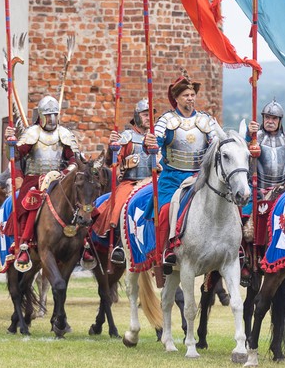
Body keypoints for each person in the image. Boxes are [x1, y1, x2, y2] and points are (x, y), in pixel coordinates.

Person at [145, 72, 224, 273]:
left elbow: (217, 145)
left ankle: (231, 246)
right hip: (172, 177)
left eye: (192, 94)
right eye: (186, 95)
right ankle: (165, 250)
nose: (190, 98)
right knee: (164, 211)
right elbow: (154, 146)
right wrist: (150, 145)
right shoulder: (166, 121)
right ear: (177, 99)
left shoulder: (205, 121)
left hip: (200, 177)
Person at [3, 95, 80, 272]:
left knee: (81, 203)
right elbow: (14, 156)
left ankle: (85, 243)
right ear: (41, 116)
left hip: (60, 179)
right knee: (31, 202)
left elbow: (73, 158)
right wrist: (10, 143)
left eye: (55, 115)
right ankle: (24, 244)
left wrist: (68, 171)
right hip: (34, 179)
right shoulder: (32, 133)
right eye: (48, 115)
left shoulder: (64, 134)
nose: (52, 120)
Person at [95, 98, 154, 265]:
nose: (148, 118)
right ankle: (120, 244)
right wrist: (113, 148)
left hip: (152, 183)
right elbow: (111, 162)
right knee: (120, 205)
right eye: (144, 114)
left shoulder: (156, 136)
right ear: (136, 116)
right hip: (132, 182)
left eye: (150, 114)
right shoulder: (127, 137)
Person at [247, 99, 285, 193]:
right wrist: (248, 135)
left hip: (281, 193)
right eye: (267, 117)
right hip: (255, 192)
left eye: (274, 118)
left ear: (280, 120)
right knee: (246, 208)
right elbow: (241, 154)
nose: (270, 121)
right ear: (263, 118)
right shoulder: (255, 138)